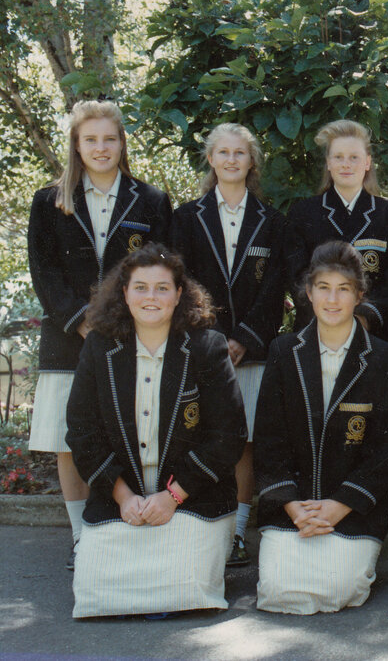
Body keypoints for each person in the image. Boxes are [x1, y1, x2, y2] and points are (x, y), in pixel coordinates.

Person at [26, 100, 172, 570]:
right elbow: (44, 272)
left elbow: (160, 270)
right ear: (76, 145)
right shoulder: (49, 201)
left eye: (109, 138)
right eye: (91, 139)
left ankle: (118, 531)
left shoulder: (150, 201)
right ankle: (79, 537)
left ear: (121, 142)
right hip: (68, 339)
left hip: (131, 337)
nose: (101, 147)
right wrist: (80, 320)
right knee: (70, 441)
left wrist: (121, 322)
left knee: (123, 434)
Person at [65, 244, 245, 618]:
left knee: (186, 590)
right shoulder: (100, 346)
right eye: (141, 287)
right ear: (124, 293)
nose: (151, 297)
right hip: (121, 496)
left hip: (193, 497)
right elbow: (82, 432)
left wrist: (171, 498)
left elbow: (227, 436)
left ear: (179, 295)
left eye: (162, 288)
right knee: (96, 594)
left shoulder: (207, 346)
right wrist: (124, 498)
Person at [253, 241, 388, 614]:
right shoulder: (282, 351)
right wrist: (294, 507)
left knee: (339, 589)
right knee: (276, 591)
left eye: (343, 289)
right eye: (323, 288)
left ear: (359, 295)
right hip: (294, 508)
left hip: (353, 510)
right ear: (308, 293)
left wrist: (338, 507)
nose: (333, 299)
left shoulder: (386, 359)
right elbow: (269, 442)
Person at [170, 123, 285, 566]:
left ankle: (237, 534)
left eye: (241, 153)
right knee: (197, 435)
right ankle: (195, 526)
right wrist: (214, 340)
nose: (232, 160)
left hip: (251, 350)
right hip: (201, 349)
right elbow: (182, 282)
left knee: (245, 442)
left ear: (251, 161)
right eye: (223, 152)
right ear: (211, 159)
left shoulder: (271, 221)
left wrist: (244, 340)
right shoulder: (185, 218)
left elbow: (275, 288)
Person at [285, 119, 388, 349]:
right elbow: (297, 277)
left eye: (354, 157)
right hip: (316, 333)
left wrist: (363, 316)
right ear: (328, 163)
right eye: (338, 157)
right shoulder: (302, 214)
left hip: (376, 335)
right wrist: (331, 316)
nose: (346, 164)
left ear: (367, 163)